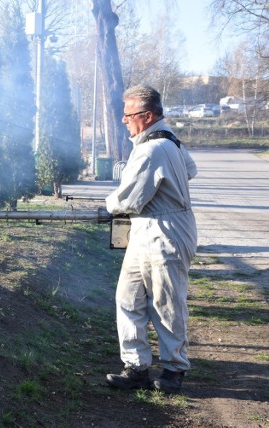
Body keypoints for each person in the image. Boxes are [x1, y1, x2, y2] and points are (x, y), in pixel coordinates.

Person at [104, 85, 198, 394]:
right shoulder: (168, 139)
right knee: (128, 297)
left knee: (166, 302)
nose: (123, 120)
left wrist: (107, 204)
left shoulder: (151, 149)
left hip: (165, 231)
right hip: (149, 227)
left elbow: (128, 200)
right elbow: (191, 169)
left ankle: (173, 370)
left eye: (128, 114)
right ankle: (137, 368)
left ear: (146, 116)